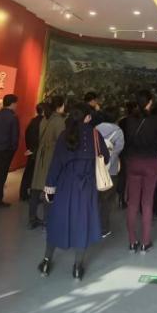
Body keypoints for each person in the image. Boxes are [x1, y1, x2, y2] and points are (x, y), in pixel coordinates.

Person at [38, 104, 110, 280]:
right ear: (87, 117)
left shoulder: (65, 134)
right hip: (87, 186)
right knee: (83, 223)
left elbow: (56, 163)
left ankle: (46, 262)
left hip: (65, 184)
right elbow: (106, 158)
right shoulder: (95, 134)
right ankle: (77, 267)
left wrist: (49, 187)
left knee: (57, 221)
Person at [122, 90, 157, 252]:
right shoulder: (155, 121)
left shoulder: (128, 120)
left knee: (132, 203)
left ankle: (132, 241)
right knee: (147, 202)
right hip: (150, 163)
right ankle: (146, 242)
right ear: (149, 102)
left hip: (133, 162)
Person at [30, 96, 66, 229]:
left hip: (41, 155)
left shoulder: (45, 119)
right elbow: (61, 141)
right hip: (51, 156)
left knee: (36, 187)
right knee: (49, 188)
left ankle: (32, 218)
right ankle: (47, 220)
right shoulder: (59, 121)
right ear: (60, 106)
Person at [96, 106, 125, 238]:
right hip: (111, 170)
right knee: (107, 200)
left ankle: (93, 224)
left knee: (96, 198)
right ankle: (104, 228)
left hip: (97, 169)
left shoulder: (95, 129)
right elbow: (118, 150)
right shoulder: (118, 132)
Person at [20, 102, 49, 203]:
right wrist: (33, 149)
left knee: (28, 173)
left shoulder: (33, 121)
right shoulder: (43, 122)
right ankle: (32, 195)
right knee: (34, 174)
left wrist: (30, 148)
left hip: (32, 151)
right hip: (37, 152)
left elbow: (28, 135)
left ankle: (24, 193)